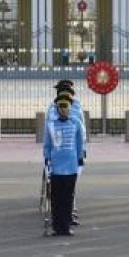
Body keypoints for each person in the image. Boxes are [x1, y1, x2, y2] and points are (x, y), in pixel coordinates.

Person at [43, 98, 85, 236]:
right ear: (57, 109)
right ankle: (57, 226)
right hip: (56, 166)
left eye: (65, 106)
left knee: (67, 198)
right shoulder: (51, 125)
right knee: (56, 199)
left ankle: (66, 226)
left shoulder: (76, 123)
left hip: (71, 166)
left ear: (69, 108)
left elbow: (80, 144)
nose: (63, 109)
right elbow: (47, 145)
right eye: (60, 107)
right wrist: (47, 162)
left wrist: (80, 161)